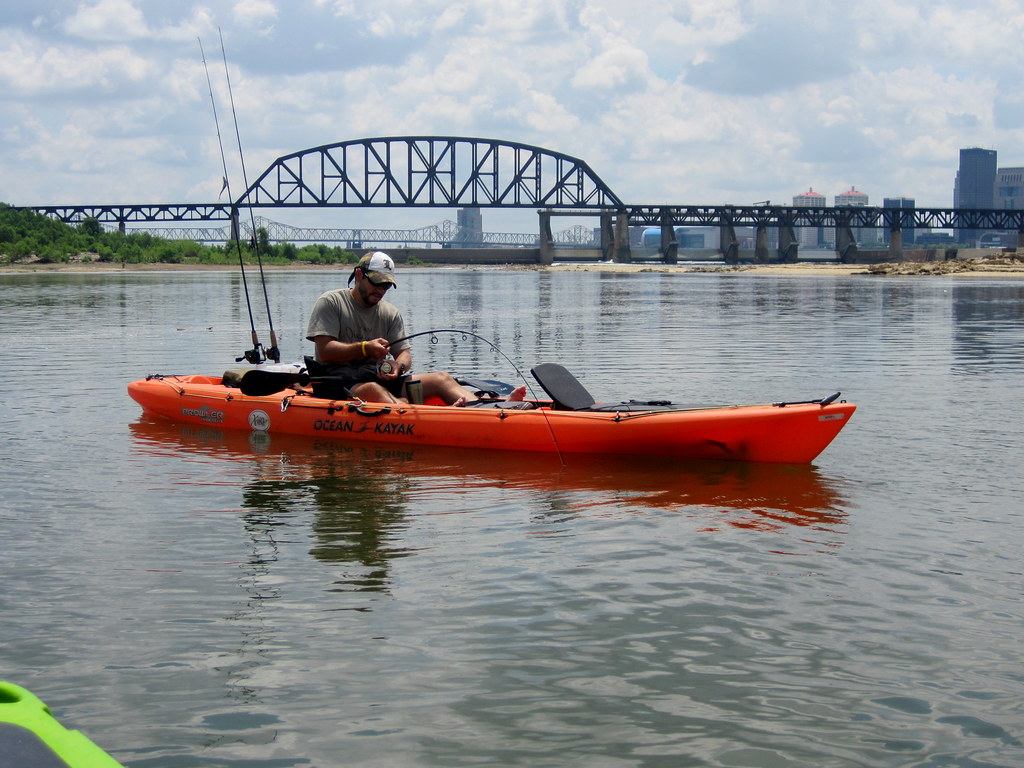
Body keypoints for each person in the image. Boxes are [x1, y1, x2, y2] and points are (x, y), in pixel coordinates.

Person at [305, 251, 525, 405]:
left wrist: (397, 368)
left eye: (387, 285)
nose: (381, 290)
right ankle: (415, 411)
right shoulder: (331, 302)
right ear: (359, 275)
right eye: (376, 283)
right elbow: (325, 350)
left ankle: (490, 410)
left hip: (378, 379)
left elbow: (404, 353)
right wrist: (365, 348)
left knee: (441, 377)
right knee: (373, 391)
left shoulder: (389, 313)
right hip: (339, 383)